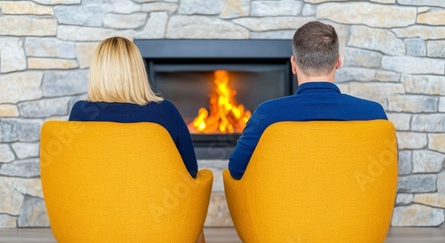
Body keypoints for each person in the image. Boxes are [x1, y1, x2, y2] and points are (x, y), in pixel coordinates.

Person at [228, 21, 388, 180]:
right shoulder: (373, 113)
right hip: (355, 205)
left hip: (284, 204)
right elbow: (385, 171)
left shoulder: (267, 114)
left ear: (293, 64)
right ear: (338, 62)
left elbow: (236, 169)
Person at [69, 37, 198, 179]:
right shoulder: (165, 112)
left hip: (91, 200)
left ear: (98, 72)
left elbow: (75, 169)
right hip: (155, 200)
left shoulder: (80, 112)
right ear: (138, 69)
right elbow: (191, 171)